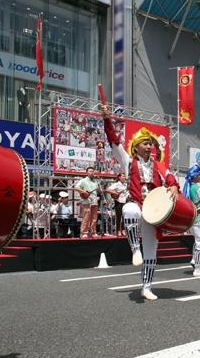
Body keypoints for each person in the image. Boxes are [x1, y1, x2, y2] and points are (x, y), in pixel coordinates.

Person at [101, 105, 179, 300]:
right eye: (145, 143)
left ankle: (147, 286)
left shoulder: (159, 165)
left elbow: (170, 178)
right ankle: (135, 248)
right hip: (136, 203)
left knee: (152, 251)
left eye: (150, 143)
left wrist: (174, 187)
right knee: (128, 210)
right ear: (136, 147)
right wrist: (106, 120)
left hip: (153, 211)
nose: (149, 146)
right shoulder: (128, 161)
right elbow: (114, 141)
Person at [183, 164, 200, 277]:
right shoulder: (199, 189)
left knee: (197, 240)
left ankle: (194, 259)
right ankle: (197, 269)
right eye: (199, 175)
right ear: (195, 176)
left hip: (191, 219)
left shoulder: (187, 188)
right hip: (199, 217)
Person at [75, 167, 101, 238]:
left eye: (93, 171)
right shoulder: (83, 180)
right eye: (90, 171)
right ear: (86, 172)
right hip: (87, 200)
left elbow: (98, 191)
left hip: (94, 201)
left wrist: (99, 189)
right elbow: (76, 187)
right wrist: (84, 192)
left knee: (94, 217)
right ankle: (84, 232)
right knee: (86, 217)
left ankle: (93, 232)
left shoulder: (95, 181)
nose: (92, 172)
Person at [106, 172, 129, 236]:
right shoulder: (116, 184)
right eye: (123, 176)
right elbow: (108, 190)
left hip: (124, 201)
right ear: (119, 177)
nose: (124, 177)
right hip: (118, 201)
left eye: (124, 176)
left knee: (124, 216)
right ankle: (118, 230)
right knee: (119, 217)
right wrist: (115, 193)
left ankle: (123, 230)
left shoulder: (125, 185)